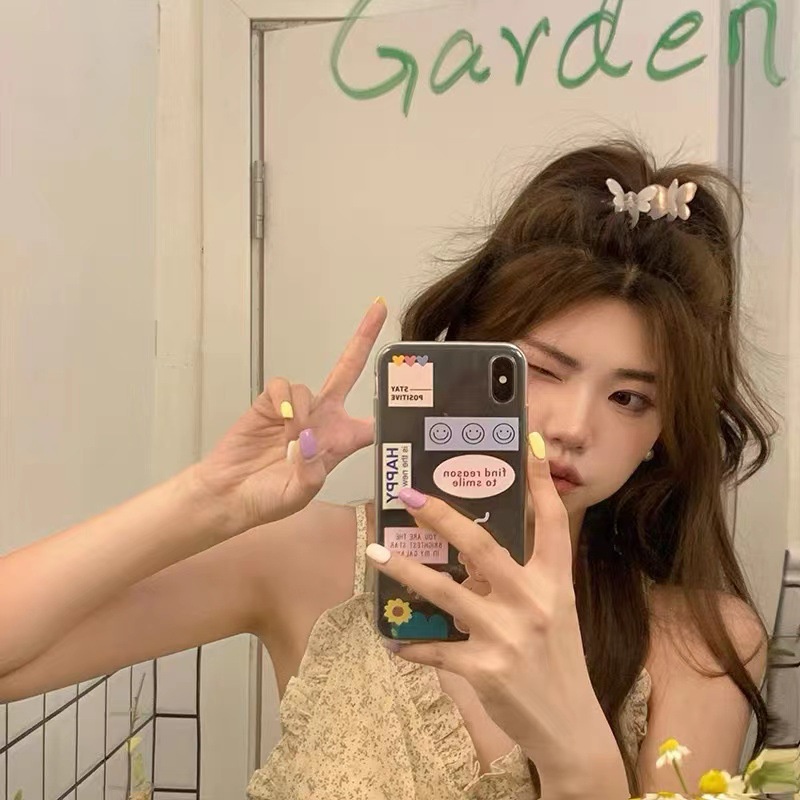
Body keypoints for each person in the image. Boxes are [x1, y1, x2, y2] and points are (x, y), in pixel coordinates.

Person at [0, 140, 775, 799]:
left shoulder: (702, 646)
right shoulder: (312, 562)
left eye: (631, 398)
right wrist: (207, 501)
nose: (575, 427)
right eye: (541, 370)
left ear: (661, 434)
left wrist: (574, 745)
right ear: (467, 358)